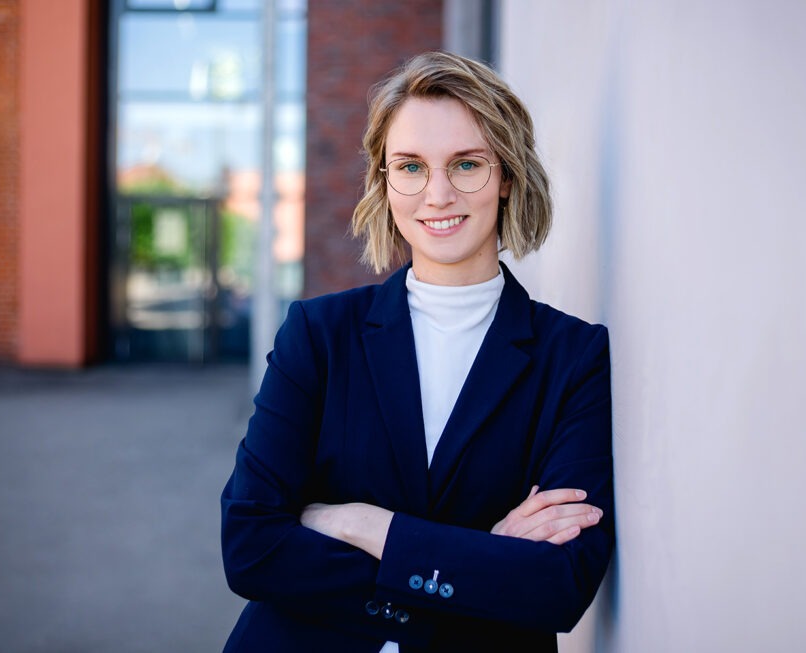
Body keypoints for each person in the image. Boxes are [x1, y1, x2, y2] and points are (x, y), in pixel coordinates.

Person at [220, 51, 613, 653]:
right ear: (385, 180)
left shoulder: (574, 355)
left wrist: (361, 524)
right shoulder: (318, 335)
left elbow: (558, 585)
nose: (437, 194)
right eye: (410, 167)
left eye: (466, 165)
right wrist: (482, 556)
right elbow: (250, 546)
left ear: (507, 176)